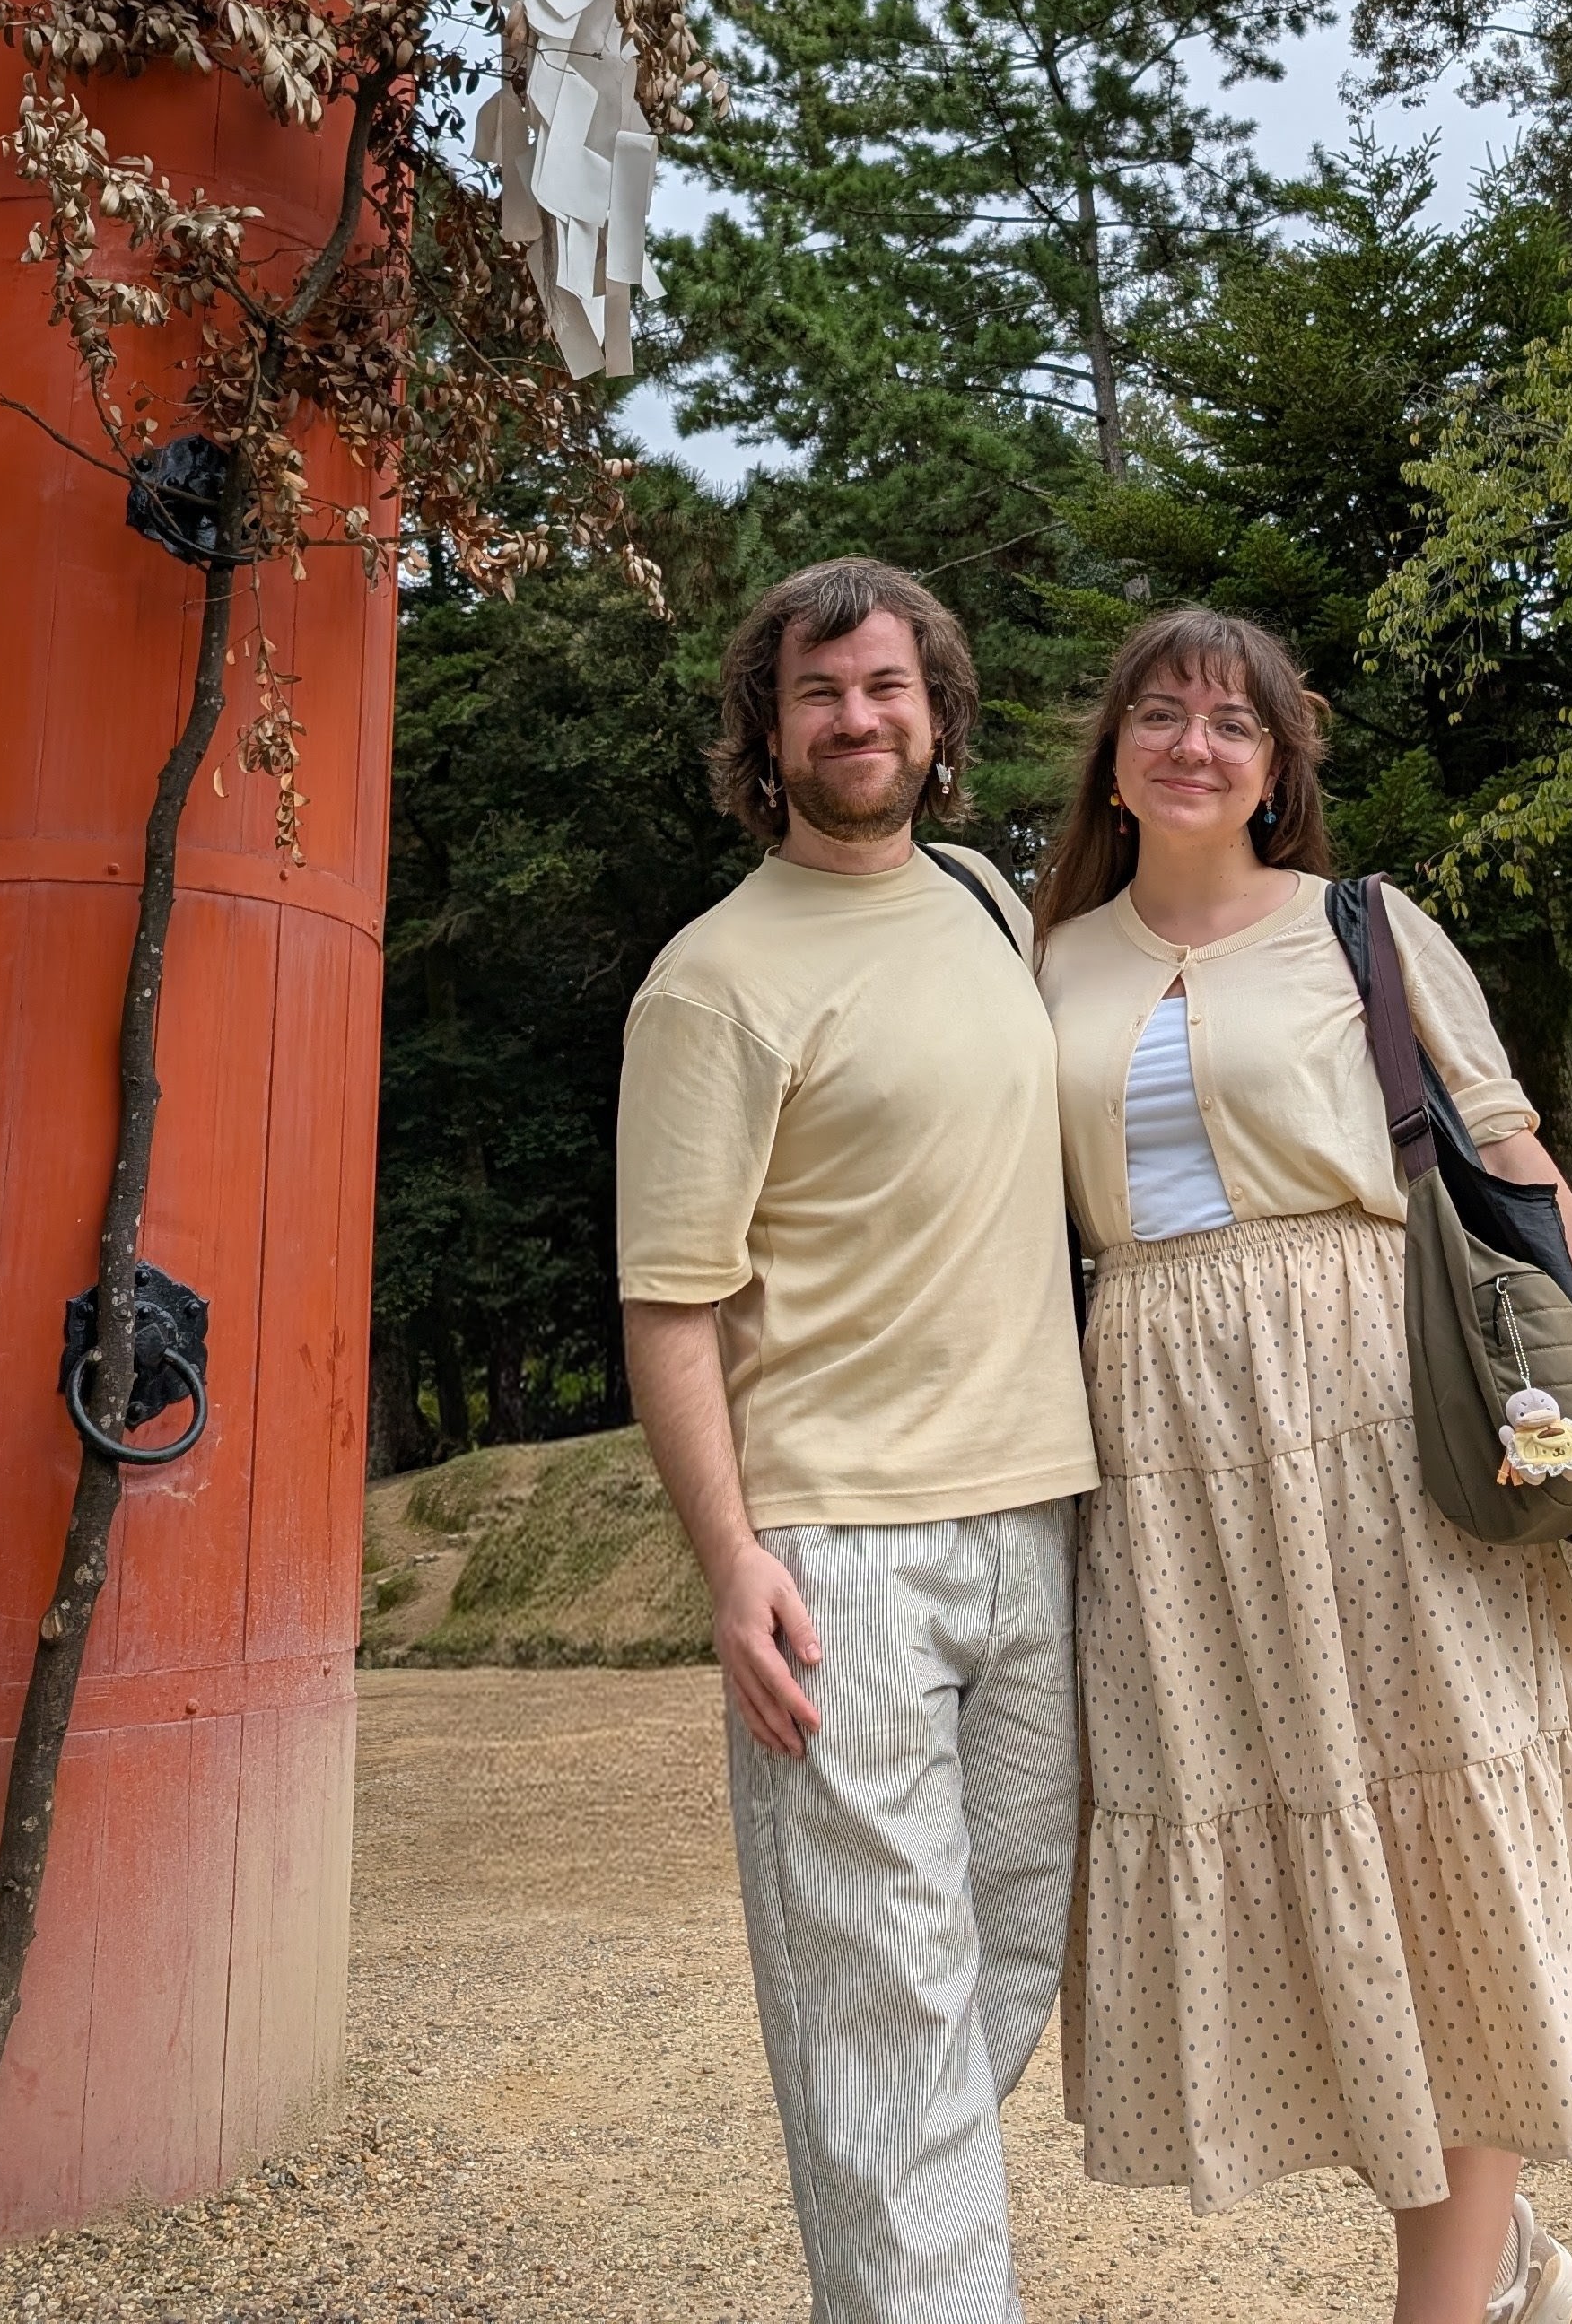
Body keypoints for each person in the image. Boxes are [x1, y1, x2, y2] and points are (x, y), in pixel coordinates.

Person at [1036, 608, 1572, 2324]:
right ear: (1113, 753)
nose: (1197, 745)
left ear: (1280, 769)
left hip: (1379, 1388)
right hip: (1162, 1431)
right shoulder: (1047, 960)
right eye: (1163, 716)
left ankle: (1452, 2298)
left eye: (1235, 724)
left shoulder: (1365, 928)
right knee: (1278, 1837)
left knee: (1437, 1815)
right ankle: (1500, 2255)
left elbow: (1512, 1161)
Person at [618, 557, 1097, 2324]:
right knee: (884, 2001)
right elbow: (670, 1304)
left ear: (940, 714)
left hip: (1040, 1516)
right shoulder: (712, 980)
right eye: (820, 695)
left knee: (1000, 1969)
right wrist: (732, 1560)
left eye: (888, 688)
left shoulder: (988, 907)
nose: (858, 719)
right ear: (767, 732)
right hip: (840, 1549)